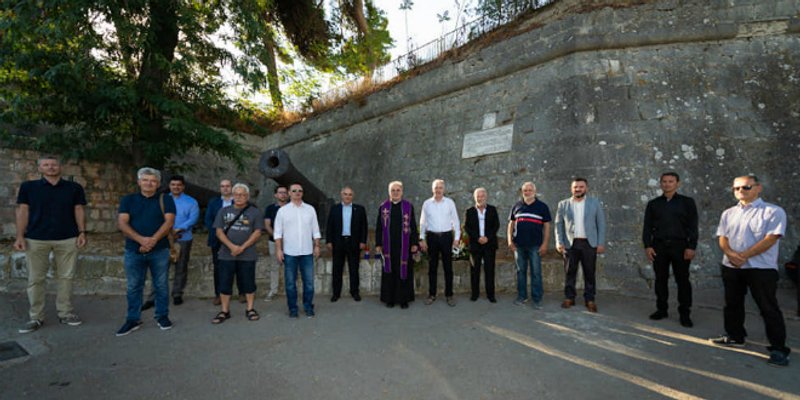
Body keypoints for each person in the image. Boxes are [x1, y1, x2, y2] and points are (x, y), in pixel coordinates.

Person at [712, 175, 791, 367]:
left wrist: (744, 255)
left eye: (745, 187)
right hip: (731, 266)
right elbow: (722, 237)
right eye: (736, 188)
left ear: (758, 188)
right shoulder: (728, 213)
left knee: (768, 308)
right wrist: (730, 254)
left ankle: (779, 349)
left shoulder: (773, 211)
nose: (740, 191)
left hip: (760, 268)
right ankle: (735, 336)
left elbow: (771, 238)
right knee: (732, 304)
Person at [15, 155, 87, 333]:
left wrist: (82, 232)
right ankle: (36, 317)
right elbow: (23, 211)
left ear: (60, 167)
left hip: (67, 238)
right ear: (39, 168)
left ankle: (65, 313)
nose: (51, 167)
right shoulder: (28, 187)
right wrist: (19, 236)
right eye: (46, 165)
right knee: (35, 279)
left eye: (54, 164)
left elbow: (78, 210)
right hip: (36, 238)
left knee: (66, 277)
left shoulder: (74, 188)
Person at [116, 167, 175, 336]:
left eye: (153, 181)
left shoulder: (166, 200)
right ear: (139, 182)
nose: (149, 183)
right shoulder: (128, 200)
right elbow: (122, 223)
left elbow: (169, 222)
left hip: (160, 250)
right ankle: (133, 319)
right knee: (134, 286)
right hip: (134, 250)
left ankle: (162, 315)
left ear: (158, 184)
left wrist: (152, 240)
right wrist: (141, 240)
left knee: (161, 285)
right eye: (146, 180)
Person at [642, 172, 698, 327]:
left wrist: (691, 246)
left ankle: (685, 313)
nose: (667, 184)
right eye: (664, 181)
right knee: (660, 280)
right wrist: (648, 246)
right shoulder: (653, 204)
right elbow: (647, 227)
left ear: (677, 183)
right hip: (659, 247)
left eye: (671, 181)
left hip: (680, 246)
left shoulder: (687, 202)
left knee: (683, 281)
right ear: (660, 184)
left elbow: (693, 226)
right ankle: (661, 309)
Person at [142, 175, 198, 309]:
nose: (176, 187)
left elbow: (193, 218)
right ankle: (153, 297)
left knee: (181, 266)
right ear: (169, 186)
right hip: (164, 239)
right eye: (173, 185)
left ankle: (177, 293)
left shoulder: (191, 202)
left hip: (183, 238)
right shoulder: (162, 200)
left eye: (179, 185)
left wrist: (180, 229)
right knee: (159, 268)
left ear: (183, 186)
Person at [211, 183, 264, 324]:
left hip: (247, 254)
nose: (239, 197)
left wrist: (242, 247)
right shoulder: (223, 211)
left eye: (243, 195)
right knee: (224, 283)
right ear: (232, 196)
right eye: (237, 194)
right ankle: (224, 311)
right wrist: (232, 246)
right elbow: (219, 231)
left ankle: (250, 308)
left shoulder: (255, 212)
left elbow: (257, 232)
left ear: (247, 196)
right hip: (226, 254)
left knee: (248, 282)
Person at [555, 178, 606, 312]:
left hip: (589, 243)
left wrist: (600, 243)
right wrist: (559, 242)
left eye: (581, 187)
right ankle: (569, 297)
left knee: (589, 272)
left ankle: (590, 299)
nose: (578, 189)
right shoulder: (563, 204)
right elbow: (558, 225)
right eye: (575, 187)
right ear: (571, 189)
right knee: (569, 272)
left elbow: (601, 224)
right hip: (570, 243)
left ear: (586, 188)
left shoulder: (594, 203)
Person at [274, 183, 321, 318]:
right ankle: (293, 309)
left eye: (300, 190)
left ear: (303, 193)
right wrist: (279, 250)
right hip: (289, 253)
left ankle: (308, 307)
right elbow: (278, 233)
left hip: (307, 252)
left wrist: (317, 246)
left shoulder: (310, 209)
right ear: (289, 193)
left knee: (309, 284)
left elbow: (315, 230)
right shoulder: (282, 211)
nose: (297, 193)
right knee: (290, 284)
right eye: (294, 191)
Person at [507, 181, 551, 309]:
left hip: (535, 245)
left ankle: (537, 299)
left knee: (536, 272)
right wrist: (510, 241)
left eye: (530, 190)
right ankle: (522, 296)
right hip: (519, 245)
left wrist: (545, 244)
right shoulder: (516, 206)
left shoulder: (542, 207)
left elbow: (547, 227)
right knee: (521, 272)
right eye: (525, 190)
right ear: (522, 192)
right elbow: (511, 225)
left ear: (534, 191)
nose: (527, 192)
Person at [376, 181, 419, 309]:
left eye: (398, 190)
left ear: (402, 191)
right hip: (388, 246)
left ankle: (404, 299)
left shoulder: (408, 206)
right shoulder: (383, 207)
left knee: (403, 271)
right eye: (393, 190)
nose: (395, 192)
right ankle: (390, 299)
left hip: (404, 246)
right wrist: (378, 244)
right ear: (389, 192)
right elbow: (379, 227)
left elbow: (413, 226)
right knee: (390, 271)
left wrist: (414, 243)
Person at [419, 179, 461, 307]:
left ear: (444, 189)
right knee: (432, 267)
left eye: (440, 187)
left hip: (447, 237)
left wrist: (457, 238)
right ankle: (432, 294)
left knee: (448, 267)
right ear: (432, 189)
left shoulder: (449, 203)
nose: (438, 190)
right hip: (432, 237)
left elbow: (456, 221)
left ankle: (449, 295)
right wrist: (422, 238)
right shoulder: (427, 204)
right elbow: (422, 222)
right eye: (436, 187)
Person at [326, 186, 368, 302]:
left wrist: (363, 241)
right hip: (338, 242)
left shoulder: (359, 209)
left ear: (352, 196)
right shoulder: (334, 209)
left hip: (353, 242)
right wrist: (329, 241)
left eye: (350, 194)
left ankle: (355, 292)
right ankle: (336, 293)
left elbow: (364, 227)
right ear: (341, 195)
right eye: (345, 194)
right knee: (337, 269)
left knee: (354, 269)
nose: (347, 196)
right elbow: (329, 226)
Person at [205, 179, 237, 306]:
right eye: (222, 186)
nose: (225, 188)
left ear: (232, 187)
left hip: (236, 239)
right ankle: (218, 294)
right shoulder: (214, 202)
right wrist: (219, 233)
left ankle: (241, 292)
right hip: (217, 239)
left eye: (228, 186)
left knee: (239, 265)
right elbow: (208, 219)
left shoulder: (239, 201)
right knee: (218, 267)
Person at [464, 187, 500, 303]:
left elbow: (496, 226)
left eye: (482, 196)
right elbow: (467, 227)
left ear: (486, 197)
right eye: (478, 196)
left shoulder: (492, 210)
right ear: (475, 197)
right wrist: (478, 238)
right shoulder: (469, 211)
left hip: (489, 245)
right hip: (475, 244)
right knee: (475, 270)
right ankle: (475, 294)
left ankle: (491, 295)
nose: (480, 198)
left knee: (490, 270)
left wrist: (487, 238)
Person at [263, 185, 289, 301]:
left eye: (284, 192)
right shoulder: (270, 208)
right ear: (275, 195)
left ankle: (290, 291)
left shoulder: (292, 208)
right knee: (274, 266)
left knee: (290, 267)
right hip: (273, 241)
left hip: (290, 242)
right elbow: (267, 225)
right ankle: (273, 290)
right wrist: (277, 237)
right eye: (280, 192)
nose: (282, 195)